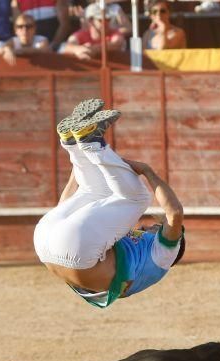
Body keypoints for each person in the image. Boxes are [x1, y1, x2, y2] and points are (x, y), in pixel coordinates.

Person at [34, 99, 185, 308]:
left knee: (139, 198)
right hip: (44, 240)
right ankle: (75, 142)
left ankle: (92, 143)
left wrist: (148, 172)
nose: (148, 225)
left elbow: (175, 214)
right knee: (96, 191)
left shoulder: (166, 255)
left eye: (156, 227)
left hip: (71, 247)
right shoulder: (136, 254)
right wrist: (78, 156)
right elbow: (69, 218)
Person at [60, 3, 125, 60]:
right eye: (100, 20)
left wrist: (93, 48)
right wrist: (79, 50)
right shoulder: (80, 34)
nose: (106, 22)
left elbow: (117, 44)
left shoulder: (115, 33)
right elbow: (68, 47)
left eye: (108, 19)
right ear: (91, 20)